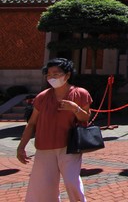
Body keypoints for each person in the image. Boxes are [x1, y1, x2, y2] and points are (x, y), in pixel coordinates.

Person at [16, 58, 93, 202]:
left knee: (72, 182)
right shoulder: (42, 97)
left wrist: (75, 108)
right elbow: (32, 123)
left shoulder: (80, 94)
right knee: (42, 188)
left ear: (67, 75)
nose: (52, 77)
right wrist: (21, 146)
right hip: (44, 148)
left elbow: (85, 118)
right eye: (49, 74)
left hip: (69, 146)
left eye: (56, 73)